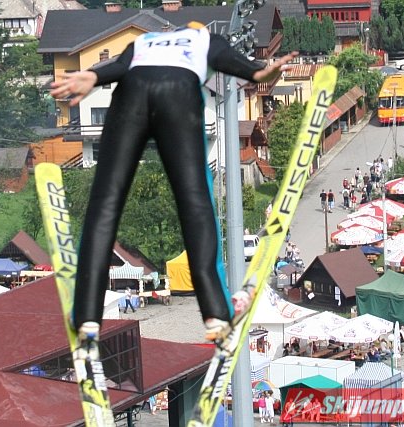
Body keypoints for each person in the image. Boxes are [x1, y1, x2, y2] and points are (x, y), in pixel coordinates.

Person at [50, 22, 299, 342]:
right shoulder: (205, 39)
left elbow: (119, 67)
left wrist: (93, 77)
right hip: (178, 93)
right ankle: (215, 313)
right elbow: (244, 68)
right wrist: (264, 71)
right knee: (194, 200)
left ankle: (87, 315)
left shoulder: (145, 41)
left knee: (106, 200)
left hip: (131, 92)